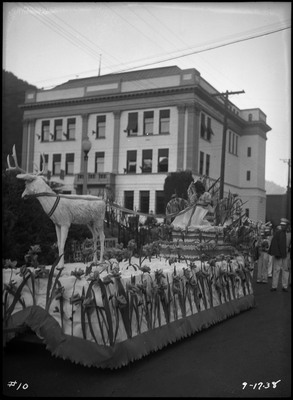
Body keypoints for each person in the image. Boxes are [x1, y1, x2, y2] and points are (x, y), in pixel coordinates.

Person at [269, 218, 291, 292]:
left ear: (287, 225)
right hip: (278, 254)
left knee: (285, 270)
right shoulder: (278, 233)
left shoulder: (289, 234)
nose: (282, 226)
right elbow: (274, 244)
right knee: (276, 270)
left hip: (287, 254)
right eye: (281, 225)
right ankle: (274, 286)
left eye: (283, 225)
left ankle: (284, 286)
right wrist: (276, 253)